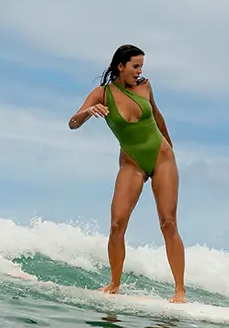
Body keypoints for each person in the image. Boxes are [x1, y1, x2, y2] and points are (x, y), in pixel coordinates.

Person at [68, 44, 186, 303]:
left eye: (142, 66)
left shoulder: (145, 86)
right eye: (135, 66)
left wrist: (169, 145)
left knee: (168, 223)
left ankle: (179, 290)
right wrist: (88, 112)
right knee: (117, 224)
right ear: (120, 66)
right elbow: (72, 123)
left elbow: (156, 114)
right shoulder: (101, 94)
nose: (139, 71)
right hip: (131, 163)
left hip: (162, 158)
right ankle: (114, 283)